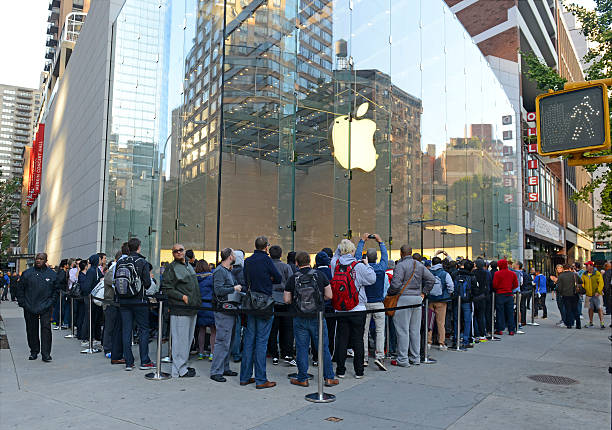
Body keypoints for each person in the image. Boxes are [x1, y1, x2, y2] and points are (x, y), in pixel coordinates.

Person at [284, 251, 339, 387]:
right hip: (318, 317)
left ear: (297, 263)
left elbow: (286, 299)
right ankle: (329, 377)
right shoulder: (319, 275)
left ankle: (302, 378)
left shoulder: (293, 278)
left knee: (302, 348)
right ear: (310, 261)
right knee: (323, 347)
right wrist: (319, 301)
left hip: (300, 317)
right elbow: (330, 295)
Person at [240, 236, 282, 389]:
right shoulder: (266, 260)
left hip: (251, 301)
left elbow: (245, 280)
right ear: (266, 247)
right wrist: (268, 278)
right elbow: (278, 278)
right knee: (261, 340)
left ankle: (244, 376)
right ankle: (260, 379)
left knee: (250, 339)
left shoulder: (248, 261)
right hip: (265, 301)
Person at [331, 239, 376, 377]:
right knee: (358, 340)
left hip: (340, 308)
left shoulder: (335, 264)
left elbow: (335, 256)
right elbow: (372, 279)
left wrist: (340, 248)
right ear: (352, 251)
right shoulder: (359, 266)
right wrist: (368, 265)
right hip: (357, 307)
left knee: (342, 339)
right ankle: (359, 371)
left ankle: (340, 370)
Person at [388, 245, 435, 367]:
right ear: (411, 252)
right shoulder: (419, 265)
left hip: (403, 298)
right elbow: (431, 279)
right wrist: (424, 293)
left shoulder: (400, 266)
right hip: (417, 299)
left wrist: (390, 293)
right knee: (415, 330)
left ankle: (403, 359)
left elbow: (395, 284)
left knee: (402, 330)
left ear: (401, 253)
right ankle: (416, 357)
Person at [161, 244, 201, 378]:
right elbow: (166, 288)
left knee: (187, 340)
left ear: (184, 251)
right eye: (175, 251)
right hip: (180, 309)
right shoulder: (171, 268)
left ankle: (182, 367)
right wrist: (182, 297)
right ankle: (178, 369)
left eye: (180, 250)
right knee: (180, 340)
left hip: (191, 308)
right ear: (172, 253)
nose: (178, 252)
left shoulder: (188, 266)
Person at [116, 238, 154, 371]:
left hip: (123, 300)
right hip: (139, 300)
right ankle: (144, 361)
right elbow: (148, 283)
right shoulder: (142, 262)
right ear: (139, 247)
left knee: (127, 330)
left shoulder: (121, 261)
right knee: (143, 329)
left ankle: (129, 362)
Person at [355, 233, 388, 370]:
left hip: (365, 303)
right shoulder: (381, 268)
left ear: (366, 258)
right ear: (377, 258)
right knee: (380, 331)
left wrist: (362, 241)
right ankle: (379, 356)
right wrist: (381, 242)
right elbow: (385, 257)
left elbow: (356, 258)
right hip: (379, 303)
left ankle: (364, 357)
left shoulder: (362, 269)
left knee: (364, 331)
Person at [16, 253, 58, 361]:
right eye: (37, 259)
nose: (38, 260)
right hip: (30, 306)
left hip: (46, 306)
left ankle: (46, 354)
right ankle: (34, 351)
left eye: (41, 259)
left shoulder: (52, 274)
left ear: (46, 260)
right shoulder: (27, 274)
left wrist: (51, 302)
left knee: (46, 329)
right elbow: (20, 289)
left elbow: (56, 290)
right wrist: (23, 303)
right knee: (31, 330)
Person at [210, 248, 242, 383]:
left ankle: (224, 367)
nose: (235, 256)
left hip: (230, 309)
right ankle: (216, 371)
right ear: (229, 256)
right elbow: (218, 290)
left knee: (228, 340)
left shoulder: (227, 271)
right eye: (233, 254)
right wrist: (234, 289)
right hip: (223, 310)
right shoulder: (219, 271)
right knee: (222, 340)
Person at [268, 245, 295, 366]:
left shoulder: (267, 266)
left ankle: (274, 354)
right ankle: (287, 352)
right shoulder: (286, 266)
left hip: (271, 299)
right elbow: (290, 282)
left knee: (273, 329)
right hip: (285, 299)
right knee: (287, 328)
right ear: (280, 254)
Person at [103, 249, 126, 364]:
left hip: (116, 303)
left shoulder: (117, 268)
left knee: (114, 327)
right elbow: (111, 281)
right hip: (110, 303)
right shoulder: (113, 269)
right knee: (109, 327)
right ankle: (107, 348)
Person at [428, 256, 454, 350]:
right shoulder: (444, 273)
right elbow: (450, 286)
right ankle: (441, 343)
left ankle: (428, 342)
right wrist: (448, 293)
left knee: (429, 321)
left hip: (430, 300)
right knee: (440, 322)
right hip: (442, 301)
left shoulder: (428, 272)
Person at [452, 259, 477, 350]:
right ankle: (466, 340)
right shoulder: (472, 276)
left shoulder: (455, 274)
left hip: (456, 300)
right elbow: (475, 290)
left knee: (456, 320)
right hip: (467, 301)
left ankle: (456, 339)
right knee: (467, 321)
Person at [195, 260, 215, 360]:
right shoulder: (211, 277)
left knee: (201, 330)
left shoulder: (195, 278)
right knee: (213, 330)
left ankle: (201, 353)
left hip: (200, 306)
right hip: (210, 305)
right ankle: (212, 353)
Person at [492, 259, 518, 335]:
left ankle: (500, 329)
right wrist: (510, 288)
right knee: (510, 312)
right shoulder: (512, 273)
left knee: (500, 312)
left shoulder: (497, 274)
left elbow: (494, 285)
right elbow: (516, 284)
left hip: (500, 294)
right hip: (509, 294)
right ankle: (511, 330)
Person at [230, 250, 246, 363]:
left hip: (231, 303)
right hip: (242, 303)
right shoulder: (243, 271)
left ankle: (234, 352)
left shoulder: (229, 271)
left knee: (234, 329)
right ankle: (239, 352)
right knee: (243, 328)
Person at [556, 264, 583, 329]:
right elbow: (580, 281)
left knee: (568, 310)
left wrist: (561, 292)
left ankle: (569, 324)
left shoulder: (561, 276)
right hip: (574, 294)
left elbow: (559, 288)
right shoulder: (574, 274)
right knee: (575, 309)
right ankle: (578, 325)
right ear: (569, 268)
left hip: (565, 295)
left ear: (563, 268)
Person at [581, 261, 605, 329]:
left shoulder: (597, 273)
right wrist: (582, 290)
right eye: (586, 266)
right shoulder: (584, 274)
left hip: (597, 294)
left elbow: (601, 283)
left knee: (599, 308)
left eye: (587, 265)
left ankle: (602, 322)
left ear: (591, 266)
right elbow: (582, 283)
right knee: (590, 309)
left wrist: (598, 291)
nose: (586, 267)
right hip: (588, 294)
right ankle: (591, 322)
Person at [472, 258, 490, 342]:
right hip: (483, 296)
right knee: (481, 315)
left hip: (475, 296)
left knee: (475, 316)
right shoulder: (486, 273)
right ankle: (482, 334)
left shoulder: (473, 273)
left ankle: (476, 334)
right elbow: (488, 285)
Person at [53, 260, 69, 328]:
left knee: (59, 307)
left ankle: (58, 322)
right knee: (60, 307)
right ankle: (59, 322)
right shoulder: (62, 272)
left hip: (59, 291)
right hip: (61, 291)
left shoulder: (60, 271)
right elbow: (60, 281)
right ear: (65, 265)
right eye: (67, 264)